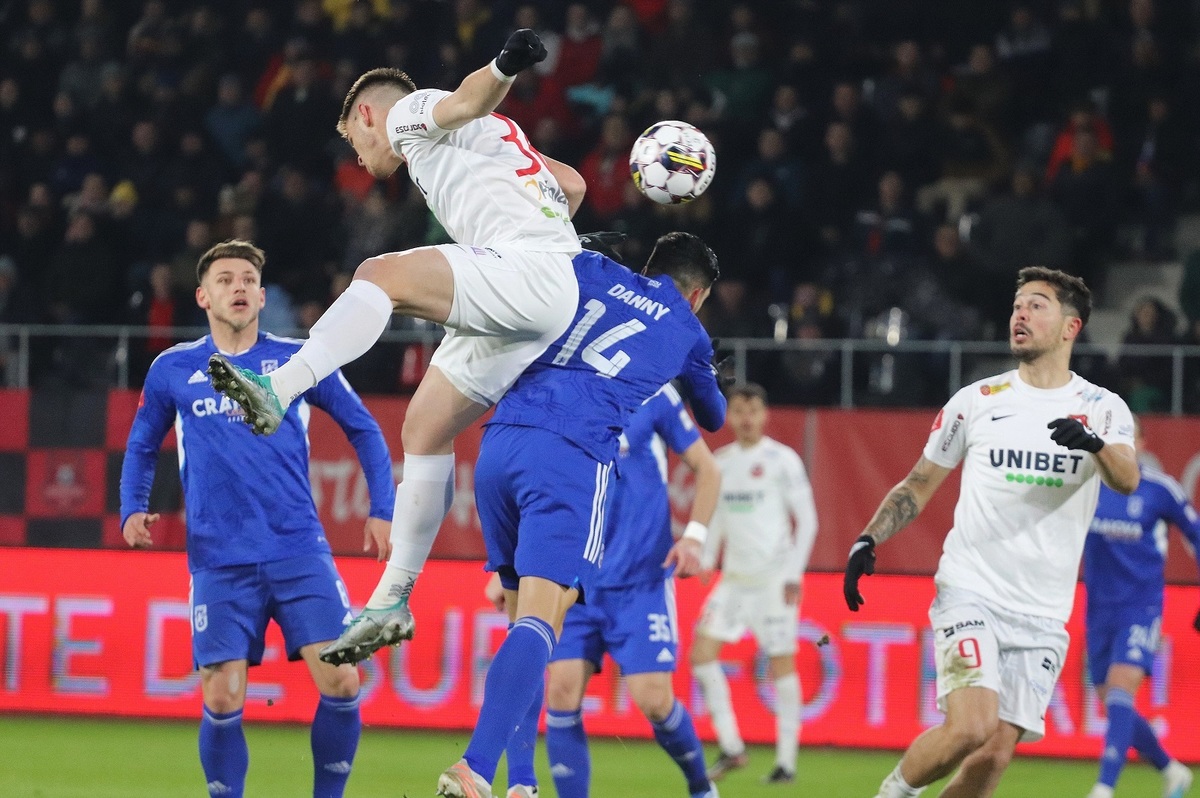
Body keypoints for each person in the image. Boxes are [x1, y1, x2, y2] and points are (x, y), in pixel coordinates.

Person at [207, 29, 589, 664]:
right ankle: (391, 600)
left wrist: (503, 64)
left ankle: (279, 387)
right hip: (545, 283)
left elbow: (468, 100)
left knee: (378, 275)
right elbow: (572, 188)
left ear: (366, 116)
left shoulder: (410, 114)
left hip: (527, 270)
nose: (359, 158)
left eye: (355, 142)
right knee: (423, 429)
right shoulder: (499, 143)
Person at [436, 232, 726, 798]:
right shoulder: (685, 328)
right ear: (697, 296)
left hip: (499, 441)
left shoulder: (591, 270)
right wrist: (701, 361)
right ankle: (476, 768)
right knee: (544, 624)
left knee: (531, 624)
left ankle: (521, 784)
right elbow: (714, 415)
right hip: (568, 455)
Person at [843, 266, 1140, 798]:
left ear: (1071, 327)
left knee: (992, 758)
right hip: (971, 589)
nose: (1020, 314)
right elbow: (919, 482)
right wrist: (868, 538)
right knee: (971, 727)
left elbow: (1126, 478)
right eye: (1016, 305)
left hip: (1044, 612)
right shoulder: (977, 400)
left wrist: (1094, 445)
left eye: (1036, 305)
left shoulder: (1102, 408)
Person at [119, 240, 397, 798]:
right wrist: (132, 506)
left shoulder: (300, 359)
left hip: (298, 549)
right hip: (219, 559)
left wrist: (383, 510)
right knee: (222, 695)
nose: (238, 287)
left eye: (248, 278)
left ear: (263, 295)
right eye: (225, 280)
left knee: (343, 678)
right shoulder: (173, 367)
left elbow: (365, 428)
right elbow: (142, 443)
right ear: (202, 296)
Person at [485, 381, 722, 798]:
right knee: (561, 689)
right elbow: (534, 481)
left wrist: (694, 537)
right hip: (574, 575)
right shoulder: (562, 387)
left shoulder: (653, 392)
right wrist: (512, 566)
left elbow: (708, 468)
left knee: (654, 700)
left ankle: (702, 788)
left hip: (640, 579)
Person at [689, 382, 819, 785]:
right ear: (729, 416)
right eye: (739, 411)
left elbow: (808, 521)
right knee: (701, 655)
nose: (746, 419)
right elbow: (719, 517)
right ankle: (731, 746)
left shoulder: (783, 460)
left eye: (753, 411)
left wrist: (794, 574)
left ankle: (786, 761)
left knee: (781, 662)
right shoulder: (720, 463)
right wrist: (708, 557)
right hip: (735, 579)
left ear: (764, 415)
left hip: (773, 580)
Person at [1082, 417, 1198, 798]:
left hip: (1140, 607)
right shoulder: (1087, 486)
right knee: (1113, 704)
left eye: (1128, 438)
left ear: (1143, 444)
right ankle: (1172, 770)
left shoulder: (1159, 490)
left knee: (1120, 691)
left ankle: (1104, 788)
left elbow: (1196, 535)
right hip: (1098, 608)